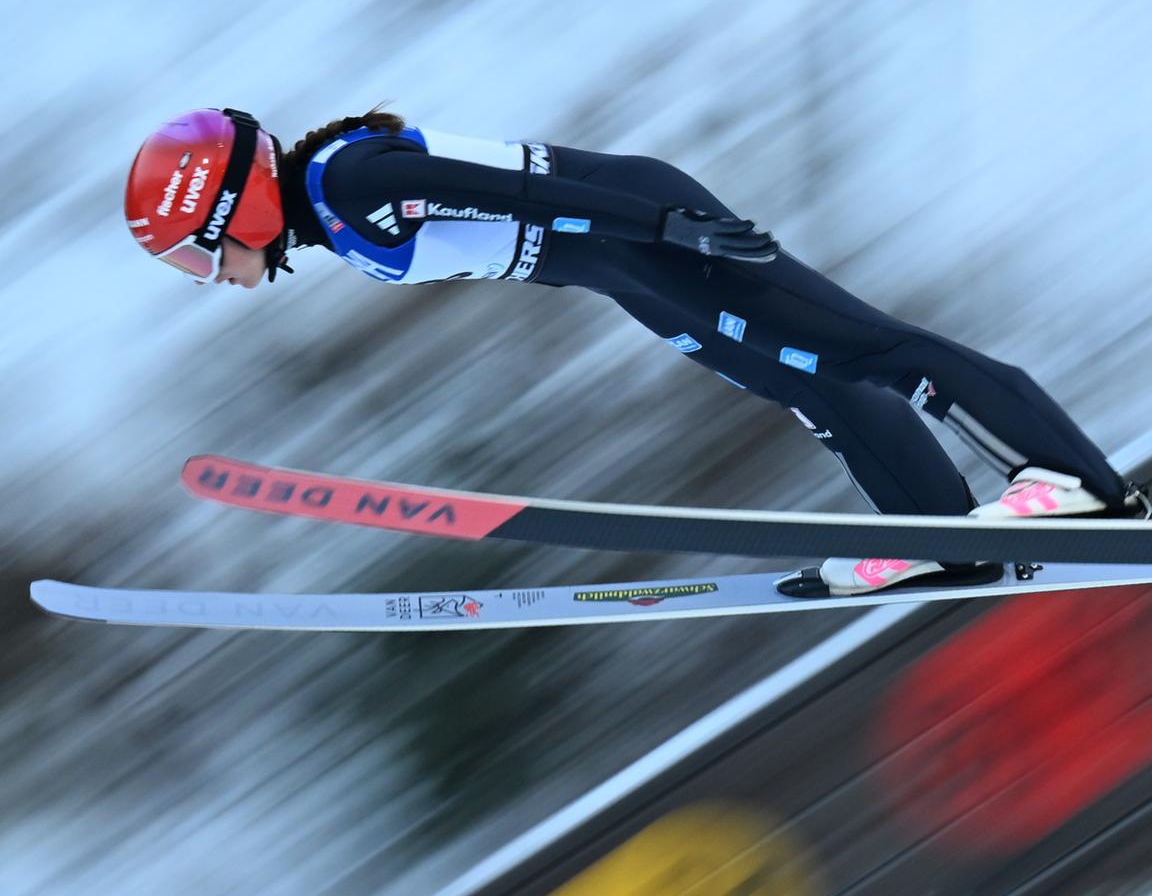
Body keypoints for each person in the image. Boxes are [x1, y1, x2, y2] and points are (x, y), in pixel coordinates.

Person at [124, 106, 1145, 597]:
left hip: (643, 234)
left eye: (199, 257)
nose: (211, 278)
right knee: (815, 387)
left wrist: (668, 228)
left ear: (227, 207)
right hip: (623, 269)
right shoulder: (335, 209)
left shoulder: (347, 184)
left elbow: (523, 194)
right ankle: (938, 531)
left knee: (869, 350)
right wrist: (641, 259)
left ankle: (1073, 484)